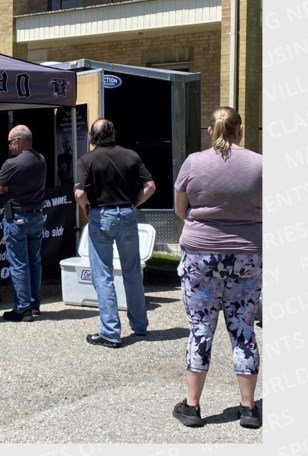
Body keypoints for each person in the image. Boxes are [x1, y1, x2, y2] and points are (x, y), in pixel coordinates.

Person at [171, 107, 262, 429]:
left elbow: (180, 208)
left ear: (211, 130)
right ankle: (249, 407)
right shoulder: (260, 164)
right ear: (240, 129)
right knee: (243, 328)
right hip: (247, 254)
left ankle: (192, 406)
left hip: (201, 253)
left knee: (200, 328)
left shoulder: (194, 163)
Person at [74, 118, 155, 348]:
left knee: (103, 274)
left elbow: (79, 193)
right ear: (114, 134)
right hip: (127, 214)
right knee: (132, 271)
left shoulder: (86, 160)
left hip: (102, 215)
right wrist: (134, 205)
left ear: (92, 137)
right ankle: (140, 325)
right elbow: (150, 186)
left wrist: (86, 209)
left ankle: (110, 332)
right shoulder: (131, 155)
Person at [0, 125, 47, 322]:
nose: (9, 146)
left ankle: (22, 308)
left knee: (18, 263)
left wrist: (9, 186)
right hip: (36, 215)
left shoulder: (11, 164)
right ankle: (34, 303)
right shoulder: (41, 160)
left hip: (17, 217)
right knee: (35, 260)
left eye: (10, 142)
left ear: (18, 141)